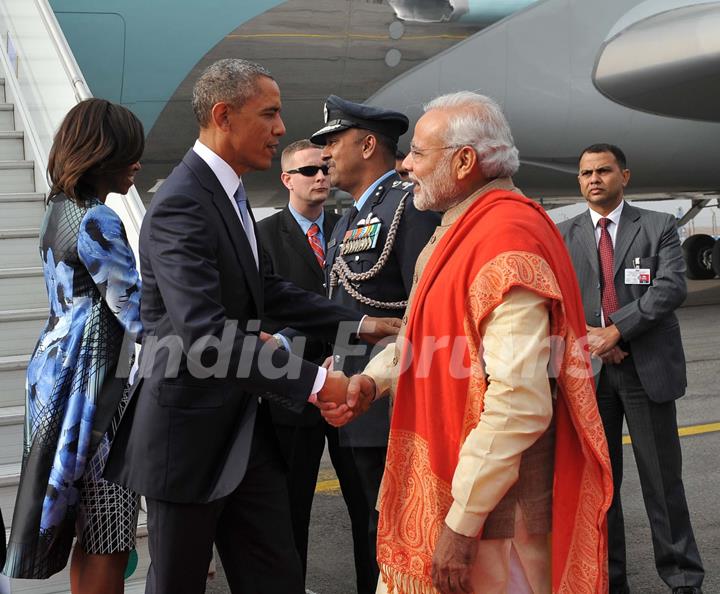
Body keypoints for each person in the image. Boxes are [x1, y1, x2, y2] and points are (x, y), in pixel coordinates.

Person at [103, 59, 393, 594]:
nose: (282, 128)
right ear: (224, 115)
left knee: (275, 576)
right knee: (178, 583)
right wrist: (314, 382)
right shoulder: (181, 205)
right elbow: (206, 336)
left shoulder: (230, 195)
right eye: (270, 113)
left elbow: (268, 291)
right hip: (187, 437)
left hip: (244, 428)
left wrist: (363, 323)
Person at [323, 91, 614, 593]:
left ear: (463, 162)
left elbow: (519, 402)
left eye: (418, 152)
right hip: (459, 492)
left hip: (496, 522)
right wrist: (372, 382)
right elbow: (423, 334)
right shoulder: (460, 228)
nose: (406, 164)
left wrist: (461, 523)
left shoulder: (505, 240)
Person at [3, 99, 144, 594]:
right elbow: (138, 313)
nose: (137, 164)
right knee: (108, 530)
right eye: (129, 152)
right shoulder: (97, 220)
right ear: (102, 154)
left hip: (56, 374)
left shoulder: (55, 210)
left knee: (88, 524)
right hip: (95, 386)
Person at [558, 144, 704, 594]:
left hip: (647, 372)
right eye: (585, 173)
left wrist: (616, 332)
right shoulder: (563, 234)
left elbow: (669, 288)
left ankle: (683, 579)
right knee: (601, 488)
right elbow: (557, 297)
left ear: (625, 175)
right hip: (591, 373)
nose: (594, 179)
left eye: (603, 171)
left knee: (662, 484)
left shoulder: (659, 227)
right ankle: (608, 579)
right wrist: (594, 341)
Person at [310, 95, 440, 588]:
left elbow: (425, 311)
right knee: (370, 524)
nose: (325, 155)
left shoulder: (409, 206)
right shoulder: (349, 217)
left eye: (333, 142)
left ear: (368, 145)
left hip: (391, 399)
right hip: (354, 396)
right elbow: (346, 303)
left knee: (395, 525)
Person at [256, 139, 371, 591]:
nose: (321, 176)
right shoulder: (263, 236)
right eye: (308, 171)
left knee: (365, 507)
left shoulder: (350, 230)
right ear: (286, 179)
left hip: (350, 384)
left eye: (324, 168)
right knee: (291, 511)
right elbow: (262, 313)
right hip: (294, 391)